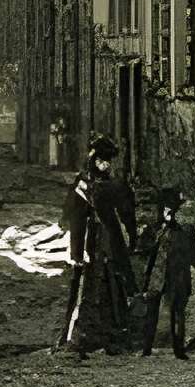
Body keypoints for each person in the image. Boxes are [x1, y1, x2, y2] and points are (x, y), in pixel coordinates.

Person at [60, 136, 132, 358]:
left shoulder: (113, 186)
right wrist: (76, 251)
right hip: (89, 245)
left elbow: (124, 215)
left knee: (112, 287)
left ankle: (114, 336)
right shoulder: (81, 186)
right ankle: (82, 337)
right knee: (88, 290)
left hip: (109, 243)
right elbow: (73, 219)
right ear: (94, 160)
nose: (106, 165)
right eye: (102, 160)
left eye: (109, 161)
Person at [137, 184, 195, 360]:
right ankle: (146, 349)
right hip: (157, 275)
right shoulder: (155, 227)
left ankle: (179, 350)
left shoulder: (186, 229)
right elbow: (143, 249)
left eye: (171, 208)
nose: (167, 211)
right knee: (151, 312)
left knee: (178, 313)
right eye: (165, 207)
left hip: (178, 276)